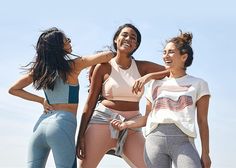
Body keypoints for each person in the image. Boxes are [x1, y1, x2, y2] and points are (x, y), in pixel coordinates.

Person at [8, 27, 114, 168]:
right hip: (62, 124)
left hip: (40, 126)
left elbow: (13, 89)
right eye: (67, 40)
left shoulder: (40, 70)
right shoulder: (74, 65)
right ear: (59, 47)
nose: (70, 43)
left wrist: (41, 101)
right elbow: (108, 56)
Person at [111, 30, 211, 168]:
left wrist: (205, 153)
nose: (165, 56)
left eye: (170, 52)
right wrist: (125, 125)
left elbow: (202, 121)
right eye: (164, 52)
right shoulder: (154, 84)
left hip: (183, 141)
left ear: (184, 57)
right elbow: (146, 118)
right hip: (154, 140)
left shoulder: (199, 84)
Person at [76, 23, 169, 168]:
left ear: (136, 45)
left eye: (133, 38)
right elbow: (90, 103)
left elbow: (172, 71)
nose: (128, 39)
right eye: (124, 35)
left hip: (132, 125)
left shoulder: (142, 67)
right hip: (102, 121)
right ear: (116, 39)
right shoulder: (103, 67)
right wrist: (80, 135)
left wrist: (148, 77)